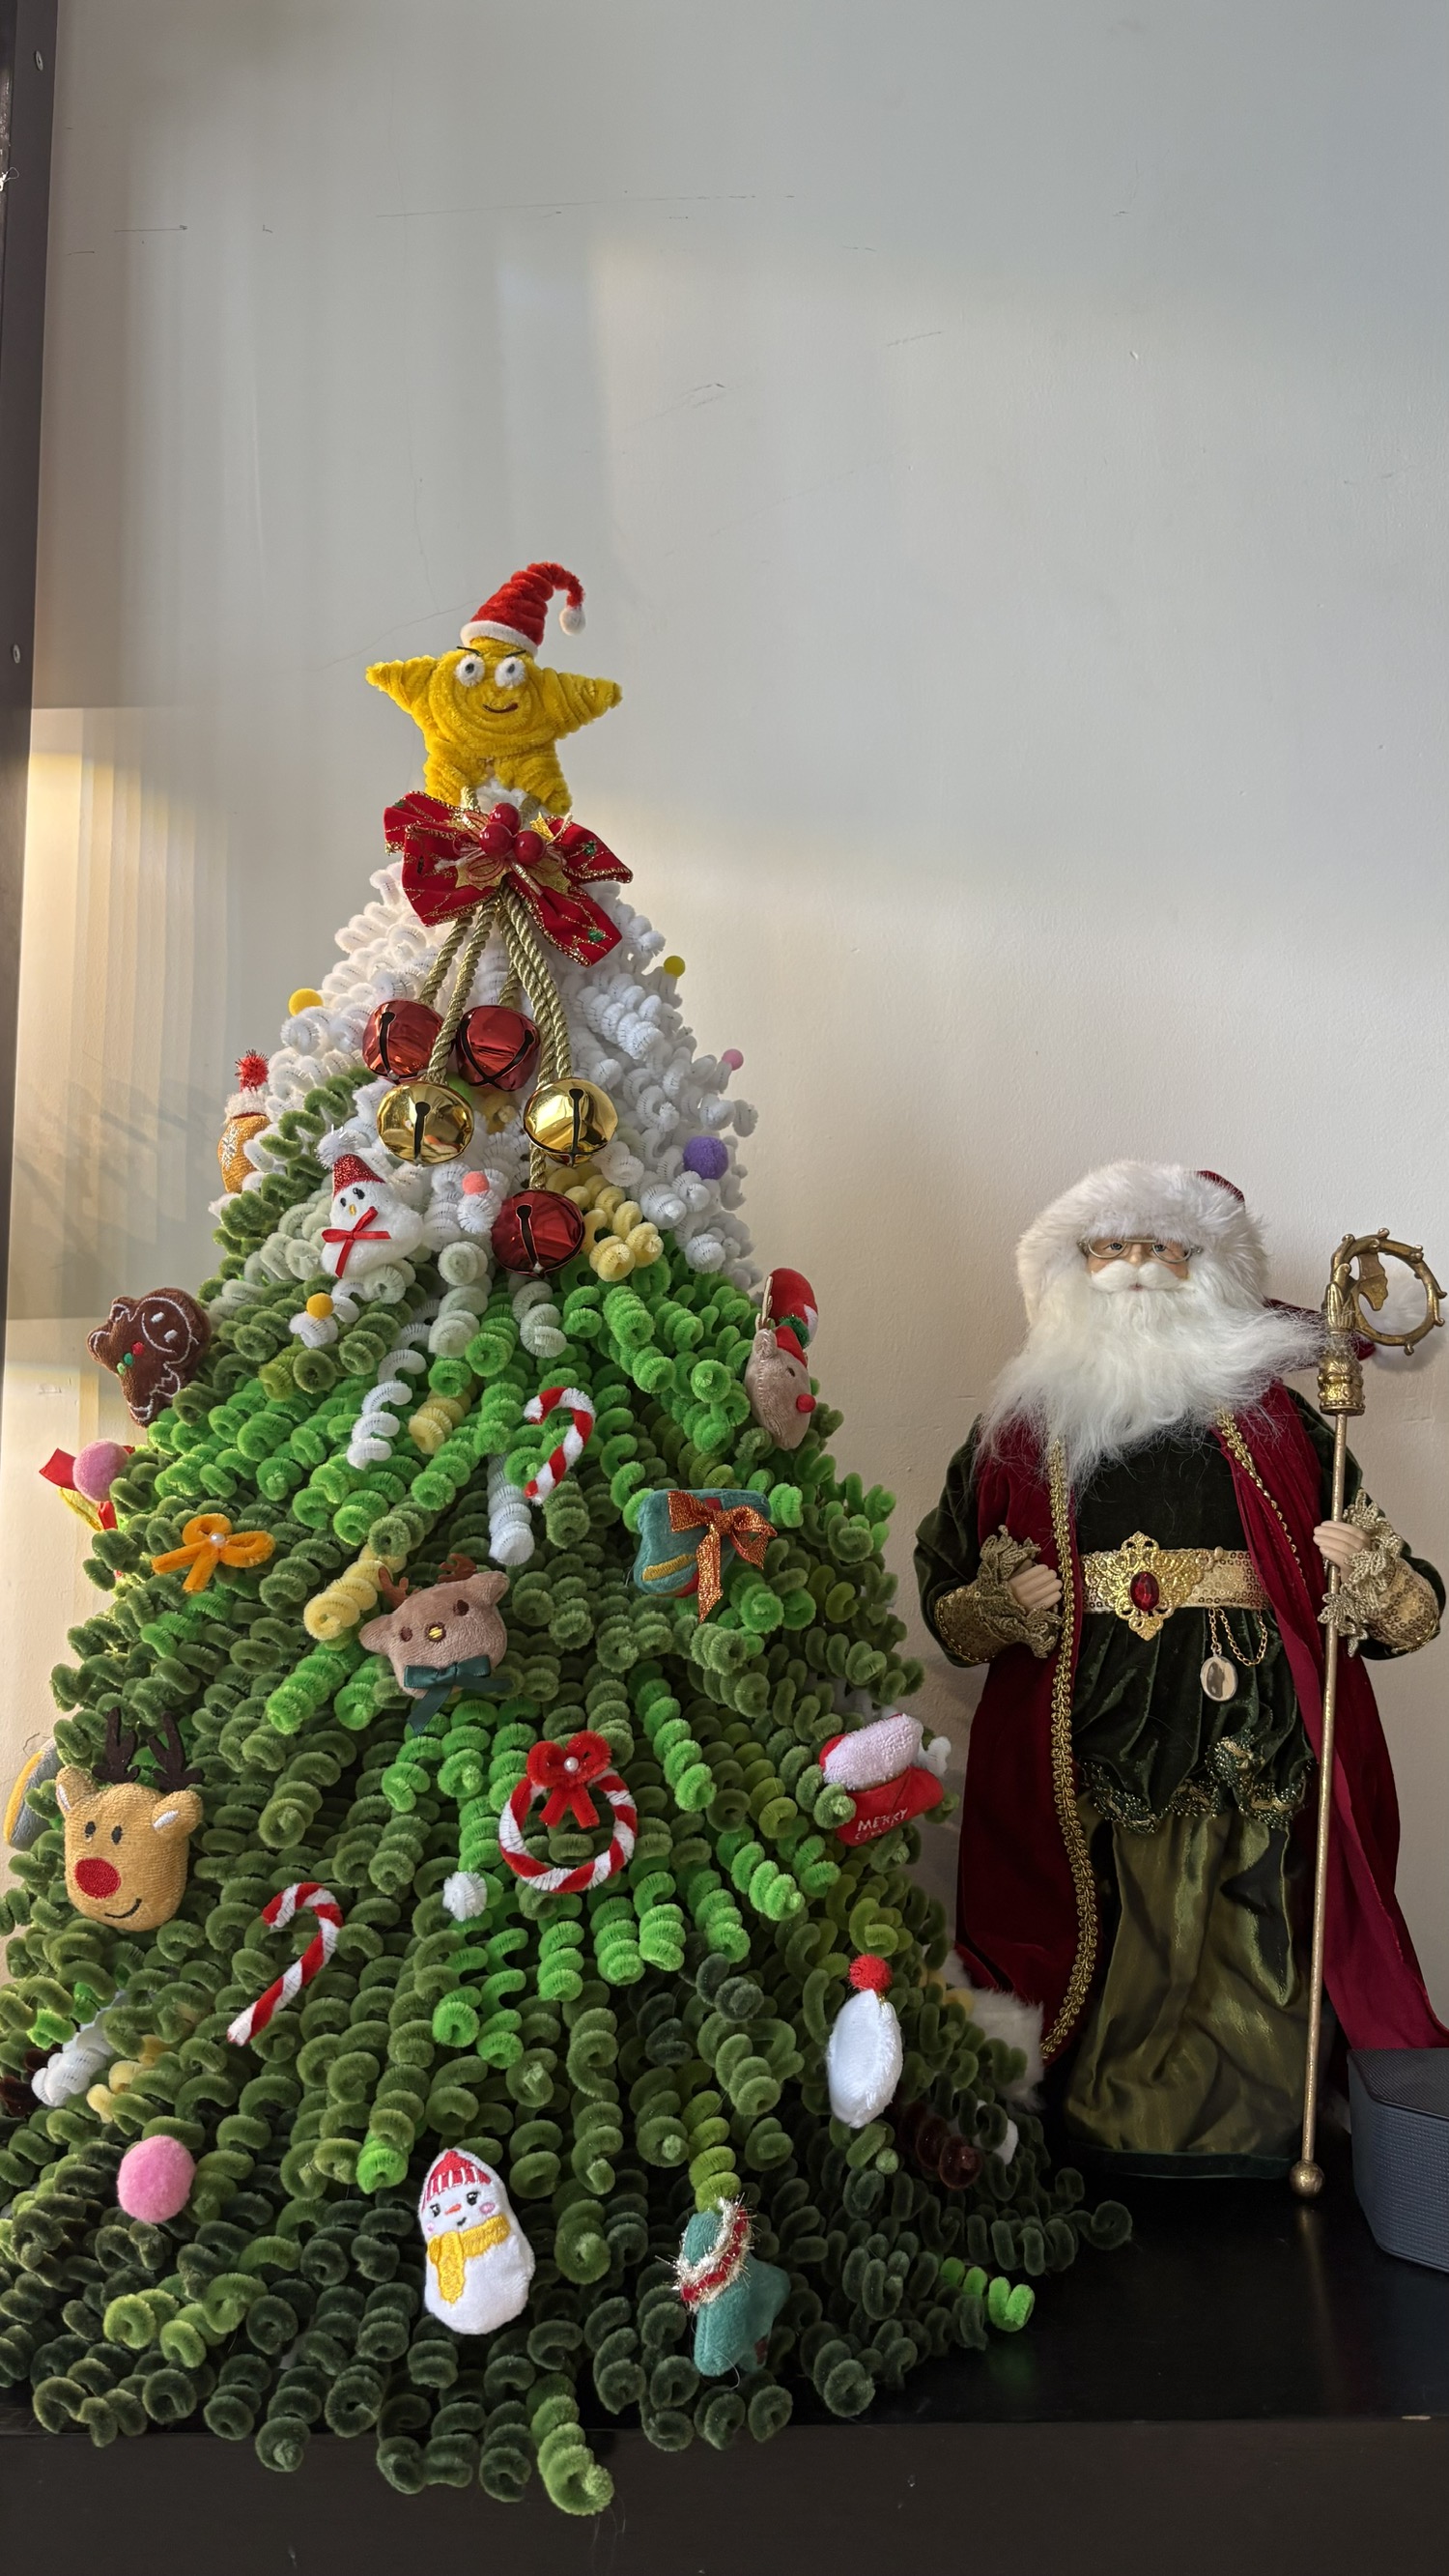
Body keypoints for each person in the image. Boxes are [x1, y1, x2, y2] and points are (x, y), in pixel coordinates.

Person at [915, 1163, 1445, 2178]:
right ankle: (1114, 2116)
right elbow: (950, 1594)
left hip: (1252, 1709)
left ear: (1210, 1272)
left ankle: (1259, 2118)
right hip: (1095, 1717)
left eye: (1165, 1248)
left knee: (1255, 1903)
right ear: (1068, 1273)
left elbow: (1401, 1599)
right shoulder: (1019, 1430)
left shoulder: (1279, 1425)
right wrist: (995, 1604)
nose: (1137, 1270)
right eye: (1110, 1249)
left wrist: (1371, 1576)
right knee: (1119, 1915)